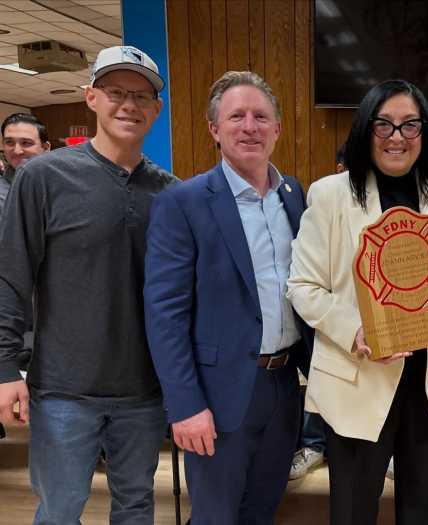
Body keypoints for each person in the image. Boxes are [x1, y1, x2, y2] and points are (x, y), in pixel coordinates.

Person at [287, 79, 428, 525]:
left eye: (409, 125)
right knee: (353, 511)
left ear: (425, 132)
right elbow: (303, 286)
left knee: (423, 512)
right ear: (365, 131)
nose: (396, 137)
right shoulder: (330, 195)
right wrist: (355, 330)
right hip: (357, 378)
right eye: (383, 125)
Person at [0, 45, 176, 524]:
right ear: (91, 97)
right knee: (60, 511)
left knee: (138, 507)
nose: (129, 105)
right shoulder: (42, 178)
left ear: (156, 110)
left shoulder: (171, 193)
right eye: (116, 92)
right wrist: (4, 369)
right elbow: (10, 277)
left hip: (143, 391)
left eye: (141, 96)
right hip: (62, 390)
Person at [144, 70, 313, 524]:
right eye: (236, 116)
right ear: (214, 129)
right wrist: (184, 406)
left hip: (283, 388)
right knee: (216, 516)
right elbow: (165, 315)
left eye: (261, 116)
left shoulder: (294, 197)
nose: (250, 126)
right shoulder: (183, 202)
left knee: (262, 509)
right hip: (217, 398)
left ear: (277, 129)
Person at [290, 144, 348, 481]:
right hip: (321, 317)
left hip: (368, 325)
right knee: (317, 377)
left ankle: (382, 453)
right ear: (340, 167)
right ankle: (313, 445)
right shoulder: (320, 199)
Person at [0, 113, 50, 217]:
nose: (17, 151)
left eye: (26, 143)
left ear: (45, 148)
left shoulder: (60, 185)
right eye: (9, 142)